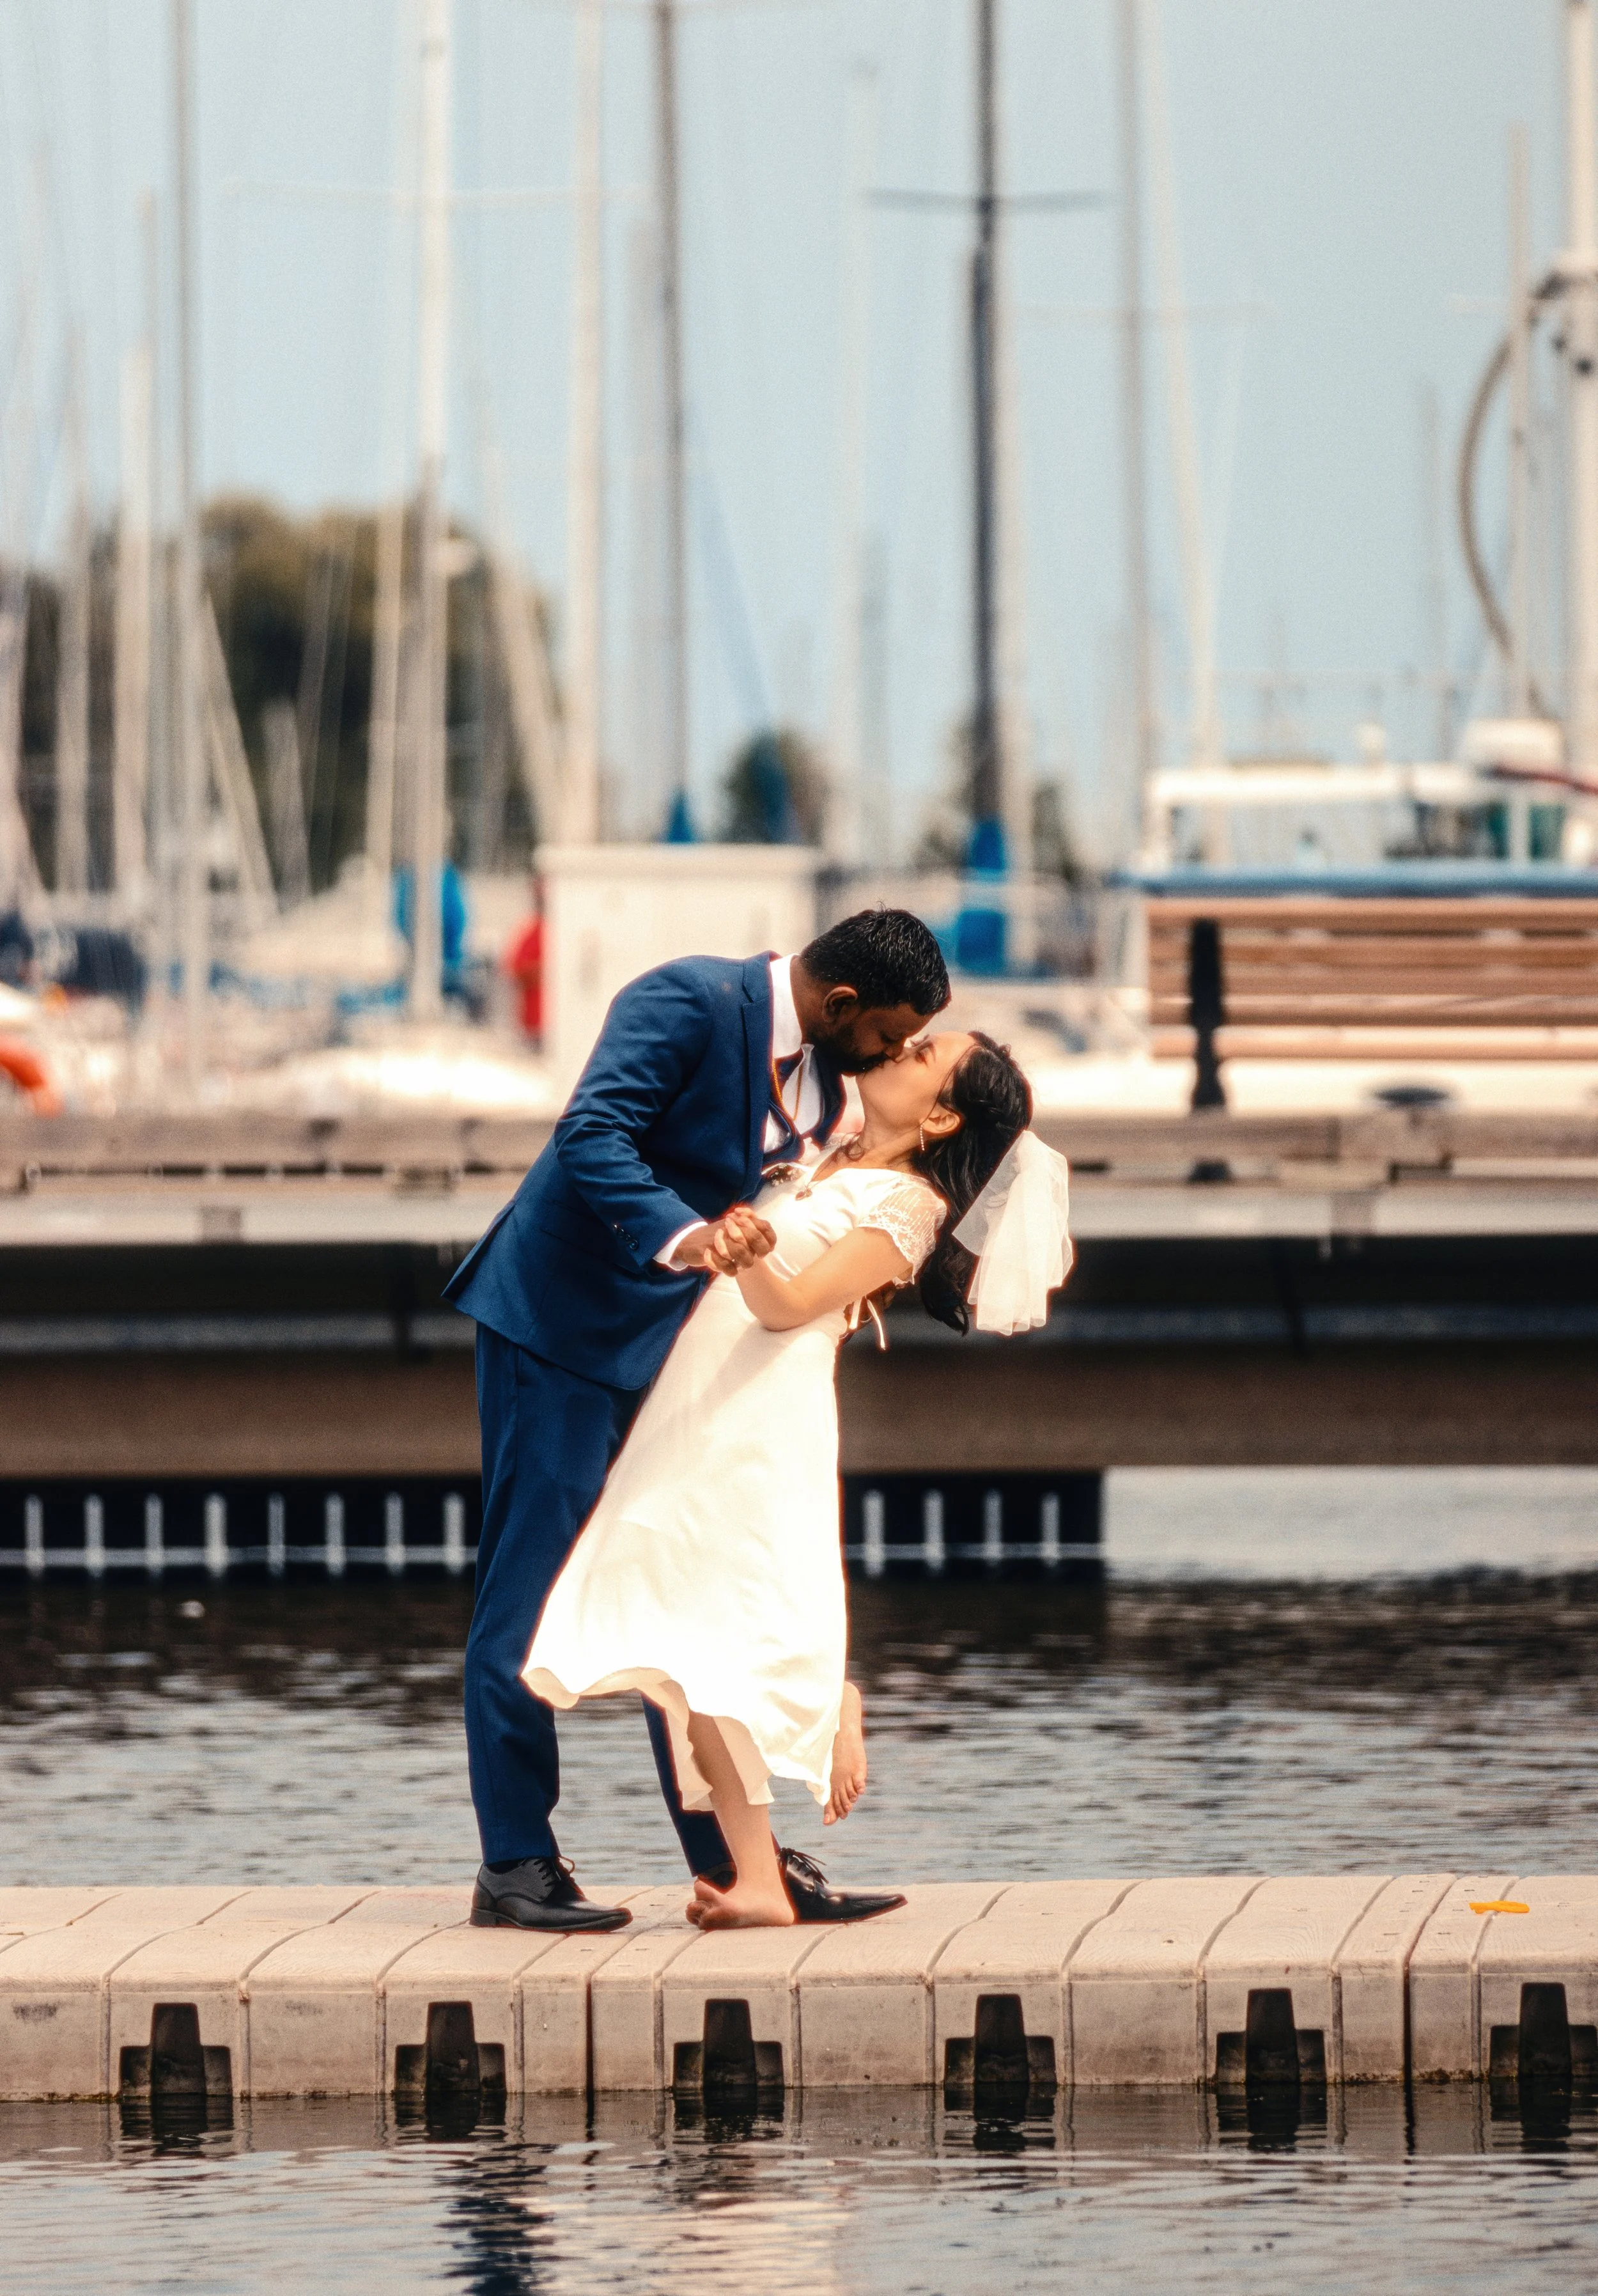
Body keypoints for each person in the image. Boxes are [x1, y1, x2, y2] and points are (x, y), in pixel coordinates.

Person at [444, 909, 953, 1933]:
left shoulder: (827, 1076)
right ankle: (515, 1864)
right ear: (841, 1004)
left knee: (675, 1593)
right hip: (560, 1327)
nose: (892, 1057)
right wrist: (686, 1236)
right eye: (889, 1037)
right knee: (527, 1585)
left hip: (668, 1355)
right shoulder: (688, 998)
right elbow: (591, 1132)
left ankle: (737, 1865)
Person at [524, 1024, 1066, 1928]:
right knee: (679, 1633)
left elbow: (792, 1308)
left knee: (710, 1617)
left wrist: (743, 1247)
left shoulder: (910, 1206)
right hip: (697, 1391)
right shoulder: (819, 1148)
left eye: (925, 1055)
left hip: (763, 1407)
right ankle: (761, 1882)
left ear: (939, 1116)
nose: (903, 1047)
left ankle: (829, 1699)